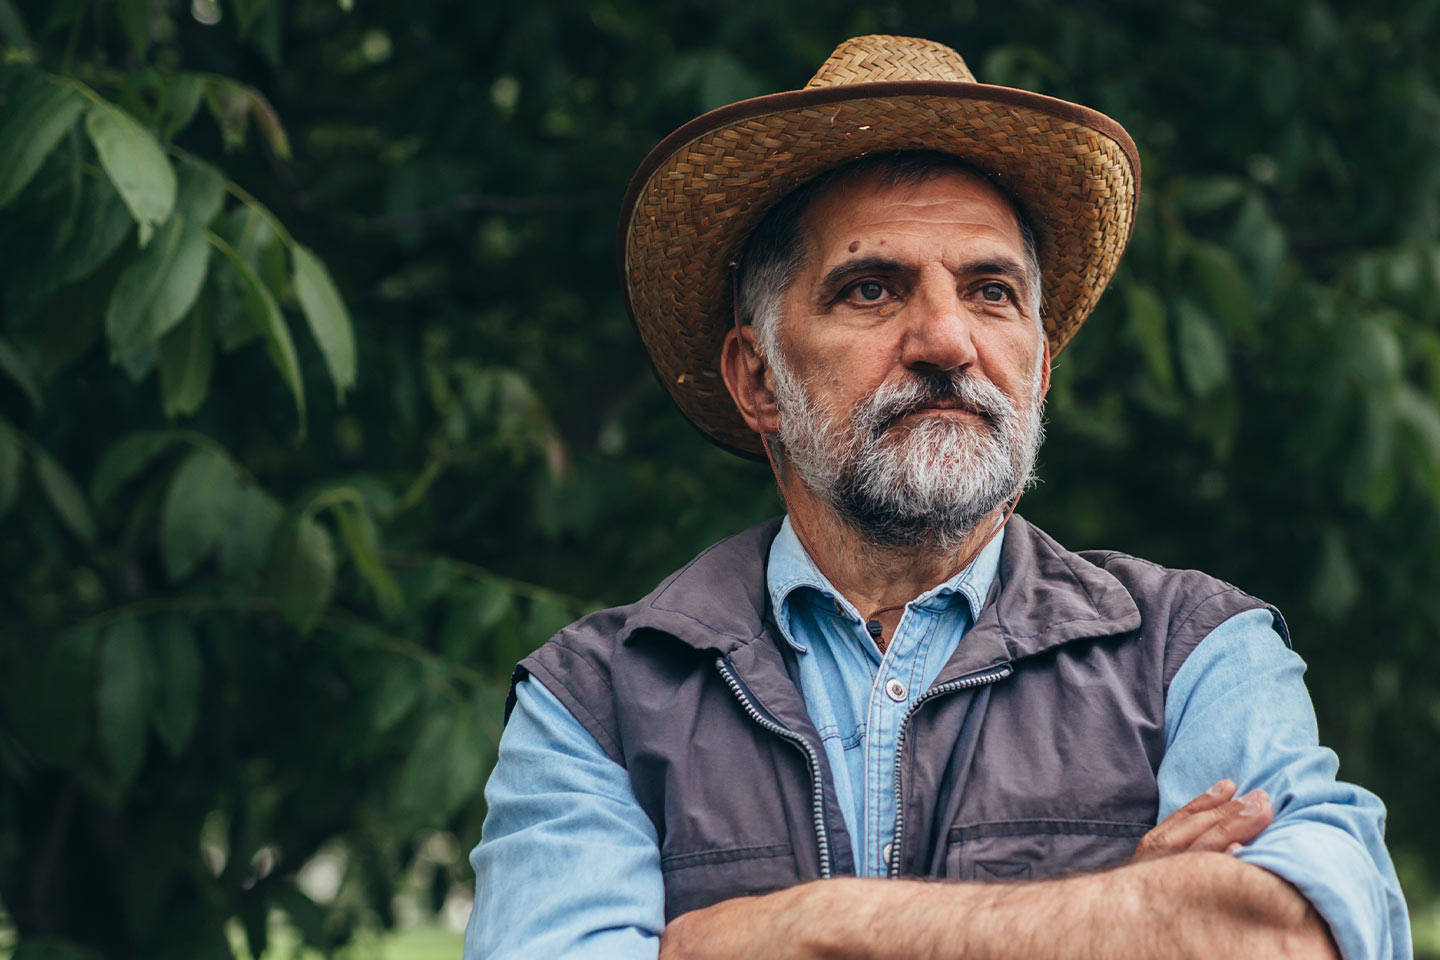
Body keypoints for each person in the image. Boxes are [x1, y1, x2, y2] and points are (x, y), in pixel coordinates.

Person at [463, 35, 1411, 960]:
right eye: (872, 289)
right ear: (758, 381)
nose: (948, 340)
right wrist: (1127, 914)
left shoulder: (1196, 653)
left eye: (992, 292)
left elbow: (1295, 936)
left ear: (1038, 369)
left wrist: (805, 929)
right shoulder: (597, 701)